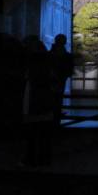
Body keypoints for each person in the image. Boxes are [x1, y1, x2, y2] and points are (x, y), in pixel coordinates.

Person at [21, 36, 55, 166]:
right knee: (43, 134)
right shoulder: (46, 64)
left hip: (34, 102)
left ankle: (30, 159)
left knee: (32, 133)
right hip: (44, 102)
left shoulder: (33, 65)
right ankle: (43, 159)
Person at [49, 33, 74, 129]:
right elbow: (69, 69)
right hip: (60, 79)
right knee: (57, 101)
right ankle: (56, 123)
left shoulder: (51, 54)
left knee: (53, 101)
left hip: (54, 80)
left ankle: (52, 123)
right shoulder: (66, 55)